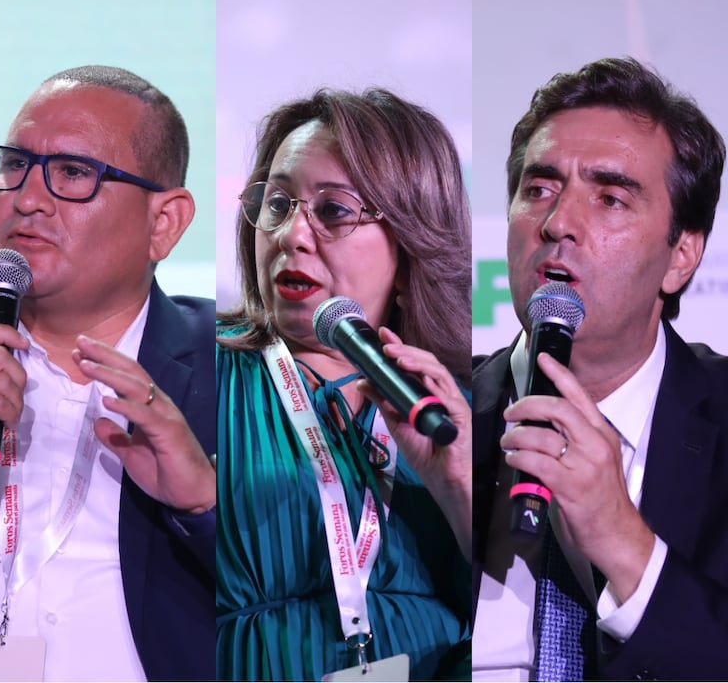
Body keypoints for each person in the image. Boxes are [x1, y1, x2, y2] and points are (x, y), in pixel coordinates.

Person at [472, 57, 728, 680]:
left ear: (681, 256)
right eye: (537, 190)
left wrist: (623, 543)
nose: (558, 223)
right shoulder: (432, 411)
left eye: (610, 198)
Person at [0, 65, 215, 681]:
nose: (26, 198)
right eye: (14, 165)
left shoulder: (232, 366)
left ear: (165, 223)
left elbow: (295, 584)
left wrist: (205, 501)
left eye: (73, 172)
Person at [215, 89, 473, 680]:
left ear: (410, 247)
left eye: (333, 211)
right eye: (278, 204)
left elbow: (529, 618)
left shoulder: (461, 400)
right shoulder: (205, 371)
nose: (291, 235)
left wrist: (459, 489)